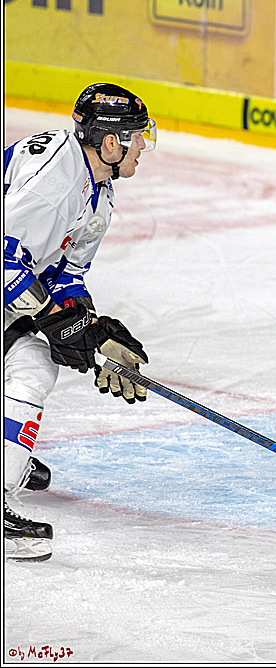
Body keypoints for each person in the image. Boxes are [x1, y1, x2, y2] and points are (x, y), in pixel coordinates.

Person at [4, 83, 156, 562]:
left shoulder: (98, 190)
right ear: (110, 143)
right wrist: (56, 322)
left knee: (35, 355)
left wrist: (90, 328)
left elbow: (64, 273)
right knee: (31, 363)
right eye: (136, 137)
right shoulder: (57, 185)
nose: (143, 147)